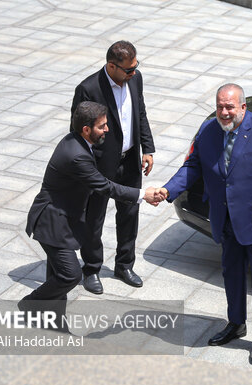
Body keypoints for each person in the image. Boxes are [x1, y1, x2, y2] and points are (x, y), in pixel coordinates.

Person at [158, 83, 252, 364]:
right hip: (225, 220)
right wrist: (168, 189)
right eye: (220, 106)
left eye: (230, 107)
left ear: (243, 107)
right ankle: (236, 323)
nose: (224, 112)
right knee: (231, 274)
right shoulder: (208, 131)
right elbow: (193, 166)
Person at [20, 102, 163, 325]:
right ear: (86, 129)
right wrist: (143, 194)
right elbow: (105, 186)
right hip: (52, 222)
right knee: (70, 275)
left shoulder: (76, 141)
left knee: (56, 274)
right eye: (102, 126)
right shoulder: (77, 155)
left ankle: (54, 322)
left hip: (62, 220)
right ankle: (31, 305)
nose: (107, 129)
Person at [71, 40, 155, 294]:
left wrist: (147, 148)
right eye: (128, 69)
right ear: (111, 66)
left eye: (135, 67)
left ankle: (124, 265)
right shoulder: (88, 88)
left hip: (129, 159)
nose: (134, 72)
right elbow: (78, 132)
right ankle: (92, 268)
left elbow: (140, 112)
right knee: (94, 218)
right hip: (99, 165)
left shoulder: (135, 79)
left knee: (130, 214)